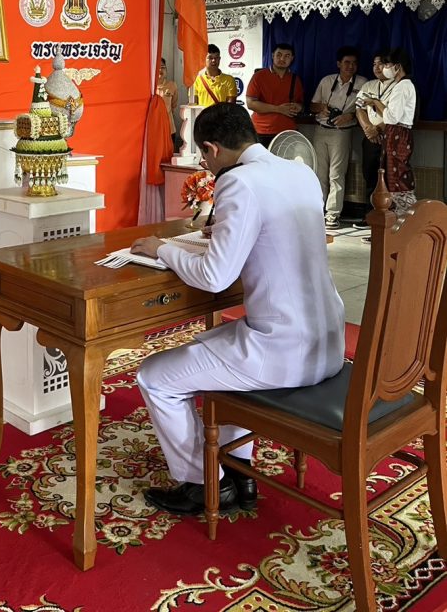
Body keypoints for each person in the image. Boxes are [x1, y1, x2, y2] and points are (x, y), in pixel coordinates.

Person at [131, 103, 345, 516]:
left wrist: (163, 250)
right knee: (212, 343)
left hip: (286, 351)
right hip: (328, 340)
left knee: (154, 376)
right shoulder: (299, 171)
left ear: (212, 149)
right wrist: (231, 231)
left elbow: (214, 277)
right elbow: (278, 229)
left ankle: (203, 483)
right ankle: (238, 470)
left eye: (204, 156)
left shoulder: (238, 182)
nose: (207, 166)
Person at [309, 47, 367, 230]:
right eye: (346, 62)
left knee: (336, 174)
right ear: (338, 64)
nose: (350, 66)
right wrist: (322, 108)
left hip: (342, 132)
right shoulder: (327, 81)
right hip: (321, 130)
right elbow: (312, 105)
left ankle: (332, 215)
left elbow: (366, 109)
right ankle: (317, 210)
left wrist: (350, 116)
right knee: (319, 173)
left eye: (354, 63)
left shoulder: (363, 83)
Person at [358, 47, 416, 220]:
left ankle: (404, 218)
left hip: (398, 133)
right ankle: (390, 219)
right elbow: (359, 107)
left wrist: (376, 102)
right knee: (389, 176)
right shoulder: (402, 85)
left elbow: (391, 117)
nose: (384, 68)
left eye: (387, 64)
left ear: (397, 66)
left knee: (397, 177)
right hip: (394, 134)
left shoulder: (402, 86)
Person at [353, 52, 388, 228]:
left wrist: (378, 129)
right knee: (370, 175)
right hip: (370, 137)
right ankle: (370, 215)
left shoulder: (399, 86)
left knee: (388, 177)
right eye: (374, 64)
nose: (377, 67)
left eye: (381, 64)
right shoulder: (369, 85)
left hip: (390, 136)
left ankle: (388, 217)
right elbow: (359, 108)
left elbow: (395, 114)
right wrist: (368, 129)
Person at [245, 43, 304, 147]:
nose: (282, 59)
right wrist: (278, 109)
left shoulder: (295, 79)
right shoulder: (259, 76)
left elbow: (300, 104)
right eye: (279, 55)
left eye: (287, 56)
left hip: (288, 131)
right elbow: (250, 104)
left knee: (286, 158)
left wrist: (298, 107)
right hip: (261, 131)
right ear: (273, 55)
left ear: (292, 58)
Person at [157, 58, 181, 152]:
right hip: (154, 128)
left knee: (169, 153)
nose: (160, 70)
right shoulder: (149, 86)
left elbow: (174, 104)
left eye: (163, 67)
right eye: (158, 67)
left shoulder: (172, 85)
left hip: (169, 128)